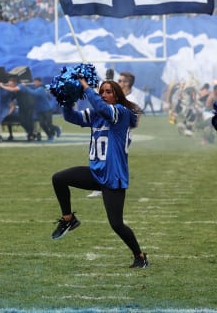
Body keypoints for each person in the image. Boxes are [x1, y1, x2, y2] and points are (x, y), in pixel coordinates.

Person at [51, 78, 148, 269]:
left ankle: (140, 256)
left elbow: (105, 110)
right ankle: (68, 219)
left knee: (116, 224)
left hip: (113, 175)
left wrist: (87, 88)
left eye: (108, 92)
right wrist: (67, 99)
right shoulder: (97, 113)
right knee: (59, 178)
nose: (103, 94)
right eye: (101, 91)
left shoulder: (121, 112)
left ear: (117, 95)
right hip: (96, 172)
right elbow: (72, 117)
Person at [88, 71, 139, 197]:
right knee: (103, 157)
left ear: (127, 83)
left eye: (120, 81)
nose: (118, 82)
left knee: (111, 159)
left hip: (121, 135)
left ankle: (110, 186)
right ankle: (102, 186)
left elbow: (136, 121)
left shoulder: (132, 99)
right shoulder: (117, 96)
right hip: (108, 132)